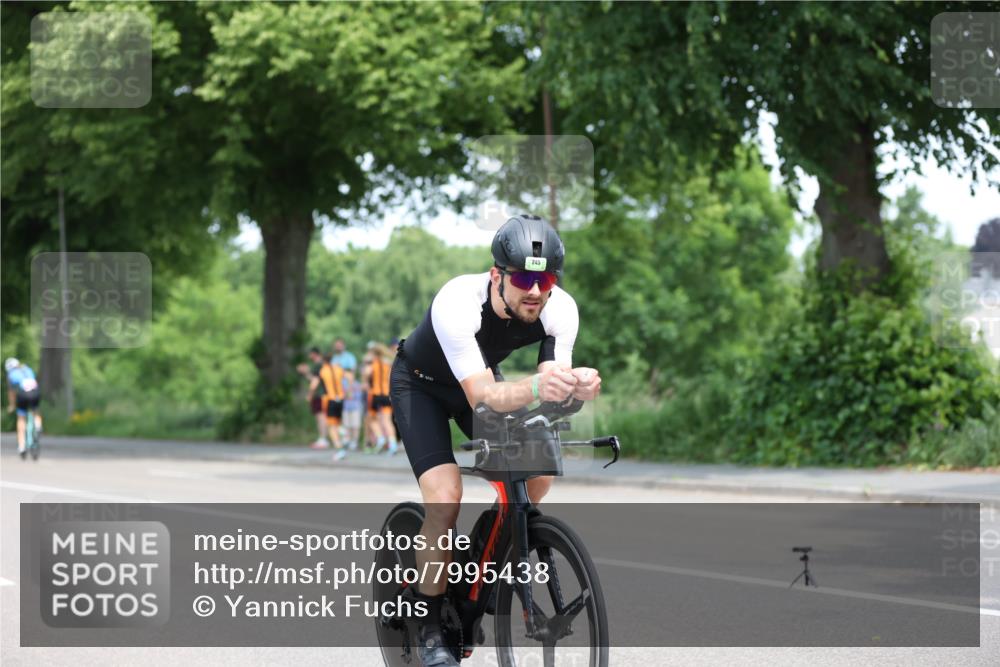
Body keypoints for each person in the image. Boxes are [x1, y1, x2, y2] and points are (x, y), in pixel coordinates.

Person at [389, 214, 601, 666]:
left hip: (482, 382)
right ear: (496, 276)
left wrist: (574, 388)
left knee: (536, 477)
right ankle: (428, 624)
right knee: (445, 499)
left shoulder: (560, 309)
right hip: (421, 385)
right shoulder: (457, 302)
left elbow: (549, 380)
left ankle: (475, 559)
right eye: (523, 277)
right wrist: (543, 389)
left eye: (544, 278)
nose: (535, 290)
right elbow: (484, 395)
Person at [5, 358, 43, 460]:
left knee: (21, 418)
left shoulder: (11, 374)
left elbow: (11, 392)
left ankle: (21, 446)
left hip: (23, 394)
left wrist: (12, 405)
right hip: (35, 392)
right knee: (36, 411)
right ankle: (38, 425)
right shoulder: (27, 369)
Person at [368, 342, 399, 455]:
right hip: (386, 394)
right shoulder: (388, 363)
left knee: (371, 418)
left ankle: (380, 438)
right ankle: (393, 444)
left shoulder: (372, 363)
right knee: (387, 420)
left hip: (376, 394)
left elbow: (366, 375)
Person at [318, 358, 348, 461]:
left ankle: (340, 450)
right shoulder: (339, 369)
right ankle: (344, 434)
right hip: (340, 399)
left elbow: (316, 383)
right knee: (338, 422)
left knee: (331, 427)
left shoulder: (323, 371)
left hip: (330, 399)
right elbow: (347, 378)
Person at [302, 348, 329, 449]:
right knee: (323, 417)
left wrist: (310, 394)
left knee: (321, 416)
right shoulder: (323, 365)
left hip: (320, 394)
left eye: (310, 354)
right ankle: (323, 438)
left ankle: (323, 439)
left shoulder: (318, 365)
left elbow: (315, 381)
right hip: (325, 394)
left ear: (314, 354)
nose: (309, 356)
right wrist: (307, 373)